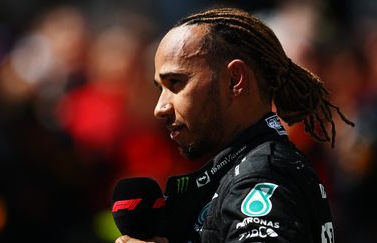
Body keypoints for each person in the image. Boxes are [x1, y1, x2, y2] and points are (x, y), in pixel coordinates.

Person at [115, 7, 354, 243]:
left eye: (176, 83)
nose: (160, 108)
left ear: (234, 79)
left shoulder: (262, 176)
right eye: (161, 88)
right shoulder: (250, 166)